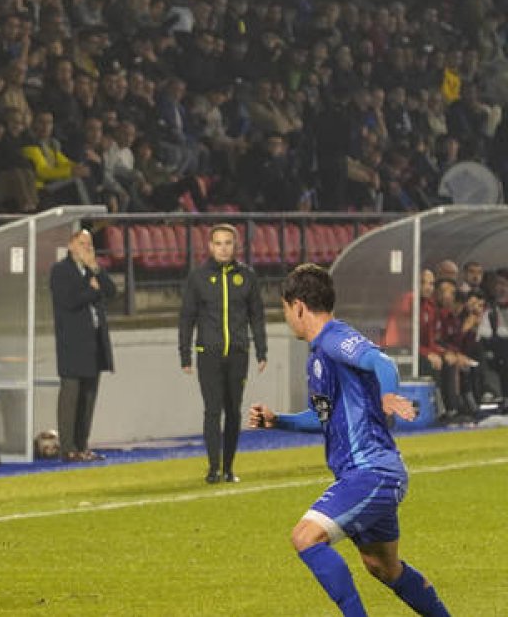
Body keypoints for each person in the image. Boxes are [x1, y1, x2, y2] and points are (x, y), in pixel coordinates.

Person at [249, 263, 451, 617]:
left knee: (305, 537)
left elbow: (382, 362)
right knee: (383, 567)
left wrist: (388, 395)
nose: (286, 318)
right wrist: (278, 420)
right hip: (369, 473)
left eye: (284, 309)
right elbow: (322, 418)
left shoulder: (334, 337)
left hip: (371, 471)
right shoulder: (319, 354)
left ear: (297, 305)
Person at [179, 223, 268, 484]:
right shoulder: (198, 277)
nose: (223, 248)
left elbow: (257, 317)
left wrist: (262, 350)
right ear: (210, 246)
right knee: (212, 410)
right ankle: (213, 468)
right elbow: (187, 318)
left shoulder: (247, 276)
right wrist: (184, 354)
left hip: (238, 353)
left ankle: (229, 467)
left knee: (234, 411)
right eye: (218, 243)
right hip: (209, 354)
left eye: (228, 243)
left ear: (235, 245)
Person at [49, 229, 115, 462]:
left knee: (88, 397)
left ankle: (82, 445)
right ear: (71, 245)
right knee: (71, 397)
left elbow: (112, 291)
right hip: (73, 344)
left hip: (94, 343)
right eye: (82, 243)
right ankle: (68, 448)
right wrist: (92, 290)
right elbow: (69, 301)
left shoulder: (91, 269)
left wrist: (96, 269)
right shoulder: (60, 271)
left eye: (90, 244)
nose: (87, 248)